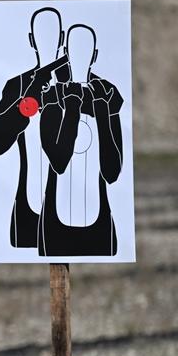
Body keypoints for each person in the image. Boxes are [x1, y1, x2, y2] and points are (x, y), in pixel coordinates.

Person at [0, 6, 73, 249]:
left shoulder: (80, 84)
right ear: (32, 40)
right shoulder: (19, 85)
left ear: (63, 39)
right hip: (30, 208)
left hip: (72, 208)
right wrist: (27, 103)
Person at [37, 23, 124, 257]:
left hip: (100, 219)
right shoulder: (53, 97)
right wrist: (73, 107)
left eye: (86, 50)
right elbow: (59, 161)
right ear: (65, 52)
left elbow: (113, 171)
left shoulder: (108, 99)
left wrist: (103, 113)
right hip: (56, 220)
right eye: (76, 49)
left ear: (94, 56)